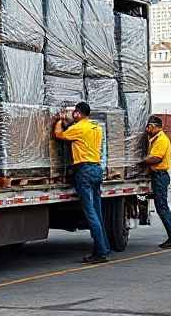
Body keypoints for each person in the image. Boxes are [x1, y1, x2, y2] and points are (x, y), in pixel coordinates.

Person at [54, 102, 111, 264]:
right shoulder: (96, 127)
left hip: (84, 171)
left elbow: (59, 135)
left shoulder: (79, 128)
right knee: (98, 212)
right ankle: (104, 247)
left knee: (90, 213)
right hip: (96, 169)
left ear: (79, 114)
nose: (73, 115)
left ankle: (100, 252)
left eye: (75, 112)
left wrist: (59, 120)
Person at [143, 115, 171, 249]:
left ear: (154, 126)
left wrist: (140, 162)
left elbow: (156, 158)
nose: (147, 129)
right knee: (163, 207)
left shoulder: (161, 139)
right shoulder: (155, 138)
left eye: (148, 127)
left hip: (160, 176)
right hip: (158, 175)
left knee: (162, 208)